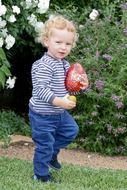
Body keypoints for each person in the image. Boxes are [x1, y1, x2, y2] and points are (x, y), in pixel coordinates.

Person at [28, 15, 89, 183]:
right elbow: (40, 90)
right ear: (47, 41)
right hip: (42, 115)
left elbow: (69, 89)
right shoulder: (43, 65)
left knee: (71, 130)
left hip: (58, 113)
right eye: (59, 42)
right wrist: (60, 102)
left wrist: (81, 87)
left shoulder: (64, 64)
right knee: (44, 145)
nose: (63, 47)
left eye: (68, 44)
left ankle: (51, 155)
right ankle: (40, 175)